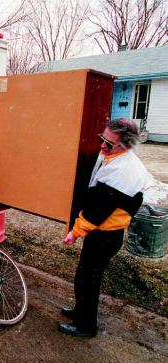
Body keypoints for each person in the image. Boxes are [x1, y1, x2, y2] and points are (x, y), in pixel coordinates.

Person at [60, 118, 148, 337]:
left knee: (89, 279)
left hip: (106, 235)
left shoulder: (124, 171)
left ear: (124, 145)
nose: (102, 145)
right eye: (102, 139)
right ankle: (81, 311)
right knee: (84, 274)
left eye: (108, 143)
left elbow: (98, 211)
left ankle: (86, 326)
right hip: (102, 231)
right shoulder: (113, 155)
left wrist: (75, 232)